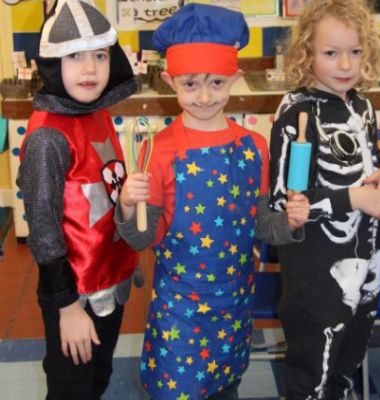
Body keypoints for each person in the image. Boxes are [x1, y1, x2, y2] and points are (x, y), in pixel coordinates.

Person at [115, 3, 309, 399]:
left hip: (234, 304)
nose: (204, 96)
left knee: (226, 386)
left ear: (235, 78)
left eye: (217, 83)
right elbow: (142, 239)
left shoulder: (254, 147)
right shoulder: (158, 151)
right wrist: (127, 207)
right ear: (169, 81)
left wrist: (289, 223)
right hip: (180, 309)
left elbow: (261, 224)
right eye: (190, 84)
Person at [264, 0, 380, 398]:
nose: (345, 64)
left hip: (368, 263)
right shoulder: (296, 114)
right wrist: (353, 199)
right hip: (317, 274)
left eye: (355, 51)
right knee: (313, 374)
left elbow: (372, 156)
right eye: (330, 53)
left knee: (347, 364)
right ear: (307, 53)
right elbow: (286, 202)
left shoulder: (361, 105)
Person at [17, 1, 139, 399]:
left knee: (97, 377)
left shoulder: (96, 112)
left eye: (100, 55)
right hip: (75, 292)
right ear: (53, 63)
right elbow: (44, 231)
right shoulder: (48, 138)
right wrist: (67, 308)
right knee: (71, 387)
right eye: (74, 56)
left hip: (109, 278)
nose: (90, 69)